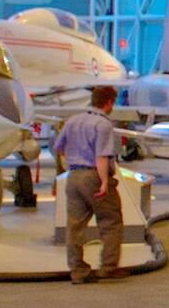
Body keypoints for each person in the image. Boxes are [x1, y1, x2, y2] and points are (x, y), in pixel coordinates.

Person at [52, 86, 126, 284]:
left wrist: (71, 161)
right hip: (93, 175)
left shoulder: (73, 120)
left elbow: (58, 147)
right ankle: (108, 267)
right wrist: (103, 182)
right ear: (109, 102)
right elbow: (101, 155)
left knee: (75, 226)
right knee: (110, 221)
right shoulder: (103, 124)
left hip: (73, 176)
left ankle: (77, 271)